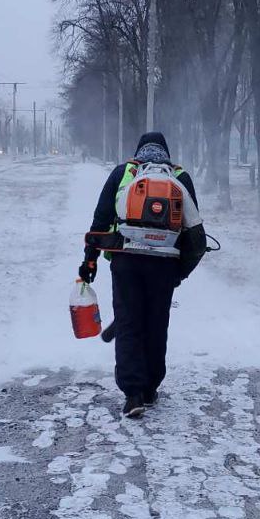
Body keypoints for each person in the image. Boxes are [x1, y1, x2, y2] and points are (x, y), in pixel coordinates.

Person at [80, 132, 206, 418]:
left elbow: (100, 221)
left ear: (138, 152)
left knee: (128, 324)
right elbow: (194, 236)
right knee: (156, 323)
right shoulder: (180, 178)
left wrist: (89, 262)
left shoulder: (123, 173)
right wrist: (179, 273)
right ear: (166, 152)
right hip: (164, 264)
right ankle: (150, 388)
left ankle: (133, 394)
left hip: (125, 263)